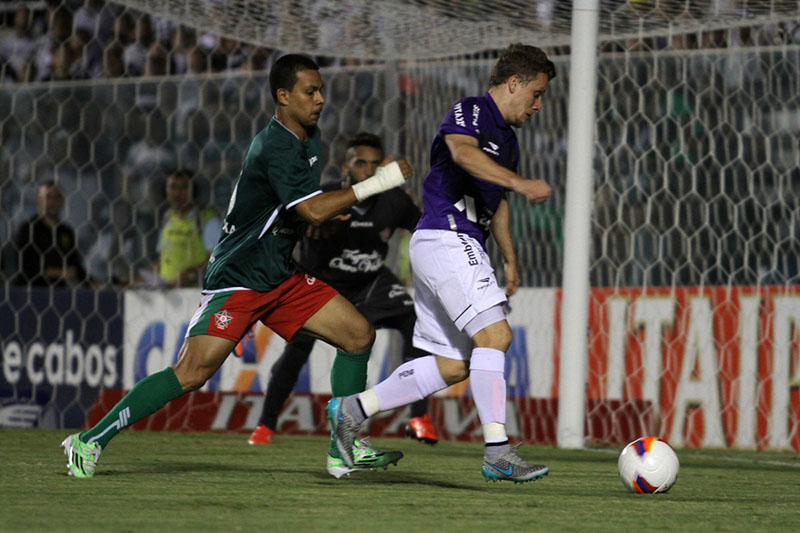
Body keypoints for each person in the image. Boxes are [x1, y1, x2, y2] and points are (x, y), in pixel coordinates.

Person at [60, 53, 413, 479]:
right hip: (239, 277)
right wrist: (379, 182)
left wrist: (318, 217)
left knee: (358, 335)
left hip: (278, 274)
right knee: (191, 374)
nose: (320, 99)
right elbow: (312, 209)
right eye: (310, 91)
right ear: (283, 96)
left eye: (321, 90)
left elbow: (299, 209)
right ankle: (88, 440)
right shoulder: (274, 144)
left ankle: (345, 447)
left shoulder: (310, 136)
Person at [327, 43, 555, 483]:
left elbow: (496, 202)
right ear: (514, 83)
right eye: (536, 93)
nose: (538, 105)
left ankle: (352, 410)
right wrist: (522, 183)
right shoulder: (472, 110)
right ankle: (497, 451)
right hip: (446, 236)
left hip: (452, 244)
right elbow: (462, 152)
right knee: (496, 335)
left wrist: (509, 259)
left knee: (453, 365)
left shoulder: (508, 141)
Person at [247, 133, 438, 454]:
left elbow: (424, 232)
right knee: (296, 353)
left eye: (375, 164)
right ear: (345, 167)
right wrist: (308, 226)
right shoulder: (324, 198)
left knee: (414, 323)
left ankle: (418, 417)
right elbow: (284, 230)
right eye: (360, 163)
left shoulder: (394, 201)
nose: (368, 170)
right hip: (321, 286)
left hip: (370, 283)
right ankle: (266, 424)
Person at [12, 181, 87, 288]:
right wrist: (59, 273)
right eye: (48, 197)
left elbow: (75, 265)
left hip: (58, 291)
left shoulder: (66, 232)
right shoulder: (27, 229)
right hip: (30, 290)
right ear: (38, 200)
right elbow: (26, 267)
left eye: (57, 197)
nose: (53, 202)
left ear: (63, 201)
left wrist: (94, 284)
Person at [156, 169, 221, 288]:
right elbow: (161, 260)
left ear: (193, 190)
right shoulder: (168, 218)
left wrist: (191, 275)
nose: (177, 193)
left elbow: (218, 258)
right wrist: (136, 280)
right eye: (173, 187)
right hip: (166, 292)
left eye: (184, 187)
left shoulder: (206, 219)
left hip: (195, 292)